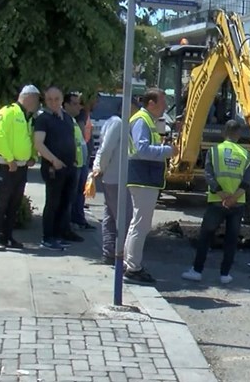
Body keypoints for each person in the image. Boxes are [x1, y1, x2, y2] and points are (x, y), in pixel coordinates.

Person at [181, 119, 250, 285]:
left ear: (224, 133)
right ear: (239, 134)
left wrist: (222, 194)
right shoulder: (247, 155)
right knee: (231, 239)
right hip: (237, 204)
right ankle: (225, 274)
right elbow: (247, 181)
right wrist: (233, 198)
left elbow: (209, 175)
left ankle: (197, 271)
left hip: (216, 201)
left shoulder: (214, 151)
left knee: (205, 237)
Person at [124, 87, 174, 284]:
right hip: (142, 179)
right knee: (141, 225)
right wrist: (167, 150)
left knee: (139, 224)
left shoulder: (146, 120)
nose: (165, 107)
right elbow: (142, 149)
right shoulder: (141, 120)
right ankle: (133, 267)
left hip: (144, 179)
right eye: (162, 102)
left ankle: (131, 264)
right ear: (151, 103)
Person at [0, 85, 39, 250]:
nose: (37, 104)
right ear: (28, 97)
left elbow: (29, 139)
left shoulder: (28, 118)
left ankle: (7, 236)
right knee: (0, 202)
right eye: (36, 99)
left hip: (21, 167)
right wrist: (9, 159)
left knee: (13, 204)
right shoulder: (7, 112)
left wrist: (33, 157)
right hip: (6, 166)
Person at [33, 87, 82, 251]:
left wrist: (74, 160)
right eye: (49, 99)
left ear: (62, 100)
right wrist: (54, 160)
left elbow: (72, 140)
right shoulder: (43, 119)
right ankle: (47, 237)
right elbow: (38, 143)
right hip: (53, 168)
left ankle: (58, 236)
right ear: (45, 101)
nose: (53, 102)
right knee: (52, 203)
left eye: (56, 99)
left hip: (69, 167)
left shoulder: (67, 118)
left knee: (65, 202)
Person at [91, 97, 137, 265]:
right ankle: (120, 255)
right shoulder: (118, 124)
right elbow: (106, 149)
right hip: (116, 178)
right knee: (123, 217)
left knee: (110, 216)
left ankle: (109, 252)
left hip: (112, 177)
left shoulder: (114, 123)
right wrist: (99, 168)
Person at [65, 92, 93, 231]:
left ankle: (76, 220)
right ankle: (68, 224)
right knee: (71, 195)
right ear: (66, 105)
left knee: (78, 193)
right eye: (75, 104)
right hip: (74, 165)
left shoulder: (74, 120)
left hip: (80, 163)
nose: (79, 107)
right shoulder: (68, 120)